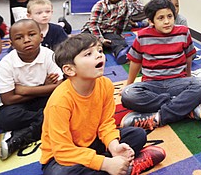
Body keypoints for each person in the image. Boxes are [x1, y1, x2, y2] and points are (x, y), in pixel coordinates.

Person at [40, 34, 166, 175]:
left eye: (100, 51)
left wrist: (114, 146)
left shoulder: (105, 85)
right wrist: (105, 163)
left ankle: (116, 165)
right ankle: (127, 167)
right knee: (58, 174)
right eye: (88, 54)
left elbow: (105, 123)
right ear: (69, 69)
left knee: (138, 135)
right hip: (63, 156)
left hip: (93, 142)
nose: (99, 56)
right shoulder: (59, 102)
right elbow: (62, 150)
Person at [120, 0, 201, 132]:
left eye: (170, 16)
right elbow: (136, 62)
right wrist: (129, 84)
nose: (167, 21)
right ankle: (184, 107)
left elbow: (188, 57)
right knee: (128, 95)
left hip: (177, 82)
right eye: (160, 18)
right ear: (151, 21)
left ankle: (158, 117)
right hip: (151, 84)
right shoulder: (142, 36)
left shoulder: (184, 32)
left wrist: (189, 78)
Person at [0, 19, 63, 160]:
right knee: (4, 119)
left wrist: (25, 90)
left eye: (31, 35)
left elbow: (60, 86)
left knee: (62, 104)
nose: (26, 40)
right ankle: (46, 121)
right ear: (11, 44)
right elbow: (7, 99)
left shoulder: (49, 55)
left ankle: (23, 135)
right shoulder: (5, 64)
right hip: (17, 104)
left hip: (43, 99)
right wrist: (44, 88)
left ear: (41, 36)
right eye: (19, 38)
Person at [81, 0, 131, 65]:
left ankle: (120, 53)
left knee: (119, 41)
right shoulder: (100, 5)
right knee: (86, 42)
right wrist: (101, 40)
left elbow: (124, 20)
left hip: (109, 31)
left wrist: (118, 34)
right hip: (93, 30)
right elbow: (93, 24)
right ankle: (94, 53)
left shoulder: (124, 4)